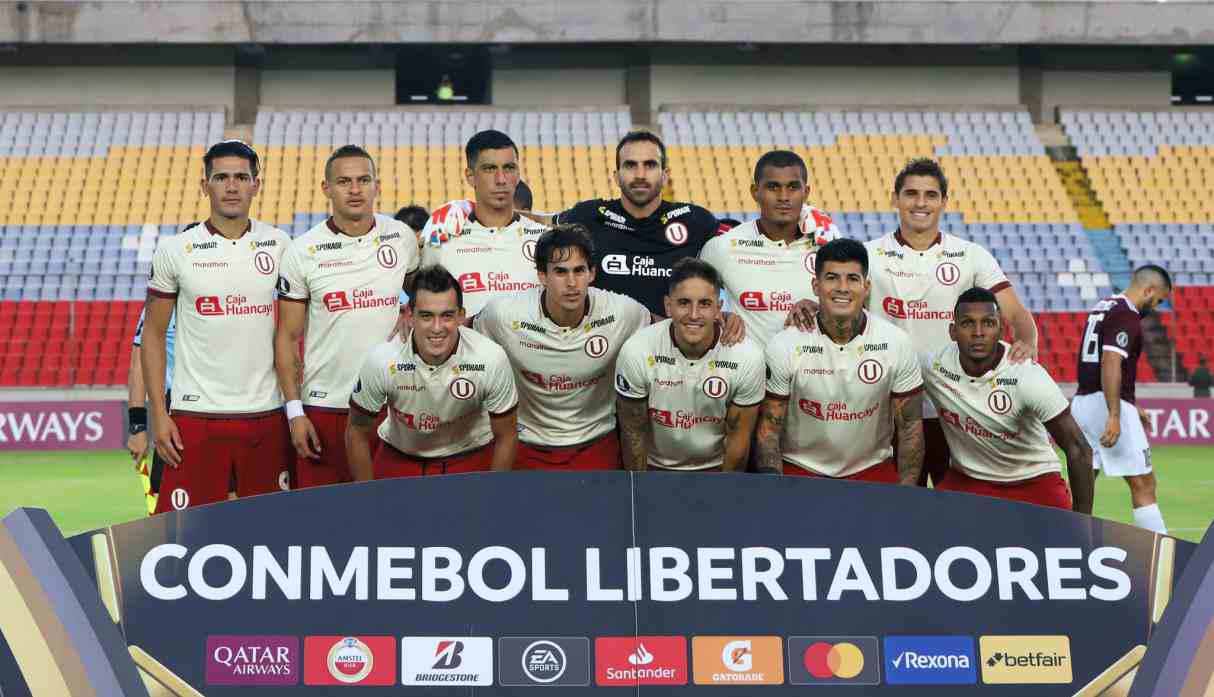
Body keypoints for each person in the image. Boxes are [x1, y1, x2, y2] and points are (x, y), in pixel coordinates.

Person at [864, 157, 1038, 487]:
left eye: (930, 195)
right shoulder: (869, 255)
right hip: (889, 408)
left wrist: (1028, 341)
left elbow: (1014, 312)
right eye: (911, 193)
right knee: (896, 505)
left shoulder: (971, 255)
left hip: (955, 407)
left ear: (944, 201)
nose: (920, 203)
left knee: (959, 506)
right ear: (895, 198)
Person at [143, 140, 292, 513]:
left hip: (267, 414)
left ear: (256, 184)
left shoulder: (280, 245)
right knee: (181, 539)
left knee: (271, 534)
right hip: (194, 417)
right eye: (221, 177)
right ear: (204, 185)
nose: (231, 186)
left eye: (241, 177)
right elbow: (154, 335)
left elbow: (294, 332)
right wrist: (159, 416)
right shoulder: (175, 251)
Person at [274, 145, 420, 488]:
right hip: (326, 407)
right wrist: (295, 413)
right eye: (344, 182)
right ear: (326, 188)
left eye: (363, 180)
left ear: (376, 186)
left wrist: (409, 308)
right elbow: (287, 338)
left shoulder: (400, 238)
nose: (355, 190)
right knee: (324, 527)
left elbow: (419, 289)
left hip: (392, 406)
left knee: (392, 525)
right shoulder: (303, 251)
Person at [474, 224, 651, 469]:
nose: (571, 283)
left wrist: (718, 319)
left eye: (579, 270)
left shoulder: (623, 312)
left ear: (592, 273)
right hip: (526, 444)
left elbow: (665, 329)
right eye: (560, 271)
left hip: (597, 443)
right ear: (542, 276)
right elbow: (464, 333)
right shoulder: (503, 315)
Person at [756, 239, 924, 483]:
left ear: (866, 287)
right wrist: (777, 491)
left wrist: (905, 494)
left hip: (872, 470)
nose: (842, 288)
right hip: (801, 470)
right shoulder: (785, 345)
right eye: (832, 278)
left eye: (853, 279)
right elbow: (769, 430)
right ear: (816, 285)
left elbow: (910, 427)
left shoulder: (896, 342)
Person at [922, 288, 1094, 512]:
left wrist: (1084, 525)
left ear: (1001, 329)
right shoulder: (934, 367)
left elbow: (1079, 449)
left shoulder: (1025, 374)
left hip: (1033, 481)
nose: (978, 332)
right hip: (969, 481)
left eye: (988, 323)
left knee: (1060, 543)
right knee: (927, 532)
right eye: (967, 324)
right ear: (953, 332)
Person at [346, 265, 519, 479]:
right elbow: (357, 431)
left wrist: (494, 495)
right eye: (426, 316)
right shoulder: (383, 360)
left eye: (447, 316)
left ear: (461, 316)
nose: (437, 328)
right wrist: (367, 498)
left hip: (469, 459)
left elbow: (507, 435)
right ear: (410, 316)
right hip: (400, 459)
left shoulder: (490, 357)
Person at [615, 258, 764, 471]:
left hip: (716, 469)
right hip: (653, 467)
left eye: (704, 304)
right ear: (668, 306)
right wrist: (641, 492)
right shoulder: (637, 350)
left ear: (718, 308)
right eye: (684, 303)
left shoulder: (746, 356)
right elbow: (633, 435)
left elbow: (737, 443)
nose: (694, 315)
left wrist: (726, 496)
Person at [699, 150, 841, 346]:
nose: (783, 196)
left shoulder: (829, 247)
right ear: (755, 192)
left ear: (806, 192)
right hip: (749, 374)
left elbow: (857, 309)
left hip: (815, 372)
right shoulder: (722, 247)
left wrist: (822, 309)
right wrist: (721, 315)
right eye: (773, 187)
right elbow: (693, 302)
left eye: (793, 187)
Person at [1072, 264, 1173, 533]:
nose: (1156, 306)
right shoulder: (1127, 314)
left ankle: (1066, 549)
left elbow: (1096, 363)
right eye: (1158, 300)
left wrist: (1132, 403)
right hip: (1104, 406)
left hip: (1082, 403)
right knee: (1143, 483)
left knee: (1084, 485)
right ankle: (1163, 557)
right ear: (1148, 289)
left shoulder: (1103, 306)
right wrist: (1116, 414)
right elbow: (1110, 361)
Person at [420, 131, 548, 317]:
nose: (501, 179)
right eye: (489, 169)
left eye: (509, 168)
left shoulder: (543, 238)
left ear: (518, 174)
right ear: (470, 176)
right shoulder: (443, 239)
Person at [127, 306, 175, 514]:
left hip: (227, 406)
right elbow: (139, 364)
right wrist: (137, 427)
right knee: (171, 501)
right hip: (177, 410)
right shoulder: (158, 307)